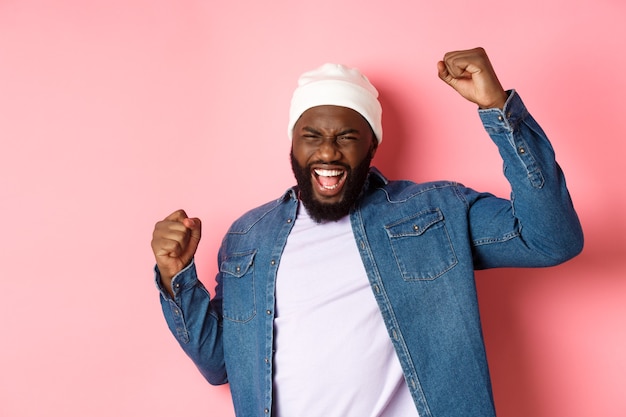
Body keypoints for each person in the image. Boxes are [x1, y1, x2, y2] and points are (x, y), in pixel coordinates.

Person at [151, 47, 583, 417]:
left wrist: (497, 109)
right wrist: (176, 278)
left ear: (372, 145)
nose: (327, 151)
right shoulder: (249, 237)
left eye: (347, 136)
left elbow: (552, 238)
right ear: (293, 144)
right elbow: (220, 365)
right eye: (311, 135)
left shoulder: (434, 212)